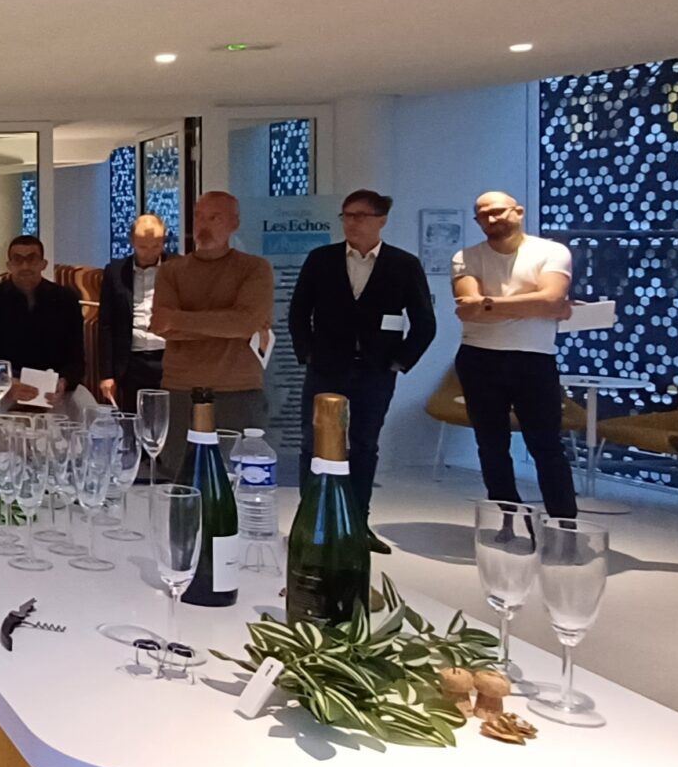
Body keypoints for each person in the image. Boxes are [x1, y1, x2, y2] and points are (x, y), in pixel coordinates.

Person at [287, 189, 438, 550]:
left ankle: (356, 523)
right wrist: (307, 353)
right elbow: (298, 312)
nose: (351, 223)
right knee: (313, 443)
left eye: (360, 216)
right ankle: (310, 521)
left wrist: (399, 362)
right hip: (326, 368)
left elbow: (424, 323)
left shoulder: (403, 264)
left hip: (374, 371)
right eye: (346, 215)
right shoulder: (321, 259)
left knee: (364, 445)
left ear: (381, 220)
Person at [449, 188, 578, 520]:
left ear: (518, 212)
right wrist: (535, 305)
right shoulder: (466, 257)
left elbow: (551, 298)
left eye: (498, 211)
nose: (492, 218)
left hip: (534, 359)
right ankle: (507, 519)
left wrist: (489, 303)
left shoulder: (552, 252)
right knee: (491, 445)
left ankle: (564, 525)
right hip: (479, 358)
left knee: (546, 445)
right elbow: (468, 311)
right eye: (484, 214)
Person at [149, 191, 273, 473]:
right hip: (181, 389)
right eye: (199, 217)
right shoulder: (170, 271)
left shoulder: (254, 268)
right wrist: (226, 324)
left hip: (237, 390)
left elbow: (245, 323)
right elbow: (160, 326)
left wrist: (178, 319)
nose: (203, 225)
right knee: (179, 475)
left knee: (236, 475)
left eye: (214, 218)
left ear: (234, 223)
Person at [0, 234, 85, 407]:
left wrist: (64, 382)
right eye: (18, 260)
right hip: (5, 386)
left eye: (31, 259)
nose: (25, 266)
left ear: (43, 264)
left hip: (55, 388)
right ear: (9, 265)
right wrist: (8, 384)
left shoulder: (65, 300)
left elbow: (76, 359)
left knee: (86, 409)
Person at [95, 213, 169, 409]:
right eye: (143, 246)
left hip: (169, 358)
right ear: (132, 241)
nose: (150, 252)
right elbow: (106, 325)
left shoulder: (177, 267)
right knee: (133, 419)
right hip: (131, 362)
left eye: (156, 245)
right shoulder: (115, 271)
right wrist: (107, 375)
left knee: (171, 419)